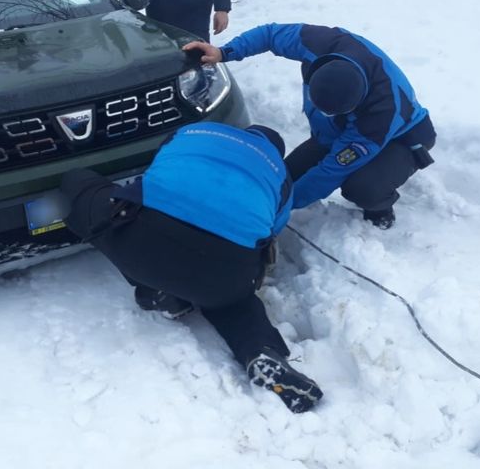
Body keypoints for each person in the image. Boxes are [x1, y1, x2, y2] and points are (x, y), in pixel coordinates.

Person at [60, 122, 323, 413]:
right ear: (273, 151)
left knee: (79, 184)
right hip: (222, 268)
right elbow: (270, 234)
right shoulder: (279, 172)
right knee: (232, 302)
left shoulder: (194, 131)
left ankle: (157, 288)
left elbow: (154, 172)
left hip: (142, 244)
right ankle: (262, 351)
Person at [184, 24, 436, 229]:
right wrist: (225, 52)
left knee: (360, 187)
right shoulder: (321, 43)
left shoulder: (380, 114)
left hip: (404, 138)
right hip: (336, 132)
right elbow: (270, 35)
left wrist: (279, 210)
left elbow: (331, 170)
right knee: (283, 180)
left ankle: (380, 206)